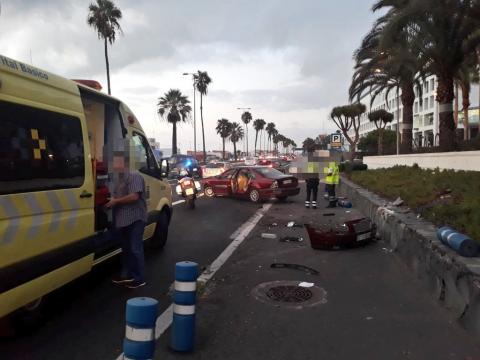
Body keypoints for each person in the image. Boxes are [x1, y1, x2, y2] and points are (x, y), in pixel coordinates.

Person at [106, 153, 147, 289]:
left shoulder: (134, 175)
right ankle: (126, 275)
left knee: (135, 248)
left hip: (135, 218)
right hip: (123, 220)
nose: (114, 166)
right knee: (127, 249)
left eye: (117, 163)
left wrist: (116, 201)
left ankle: (139, 278)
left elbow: (134, 196)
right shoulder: (119, 178)